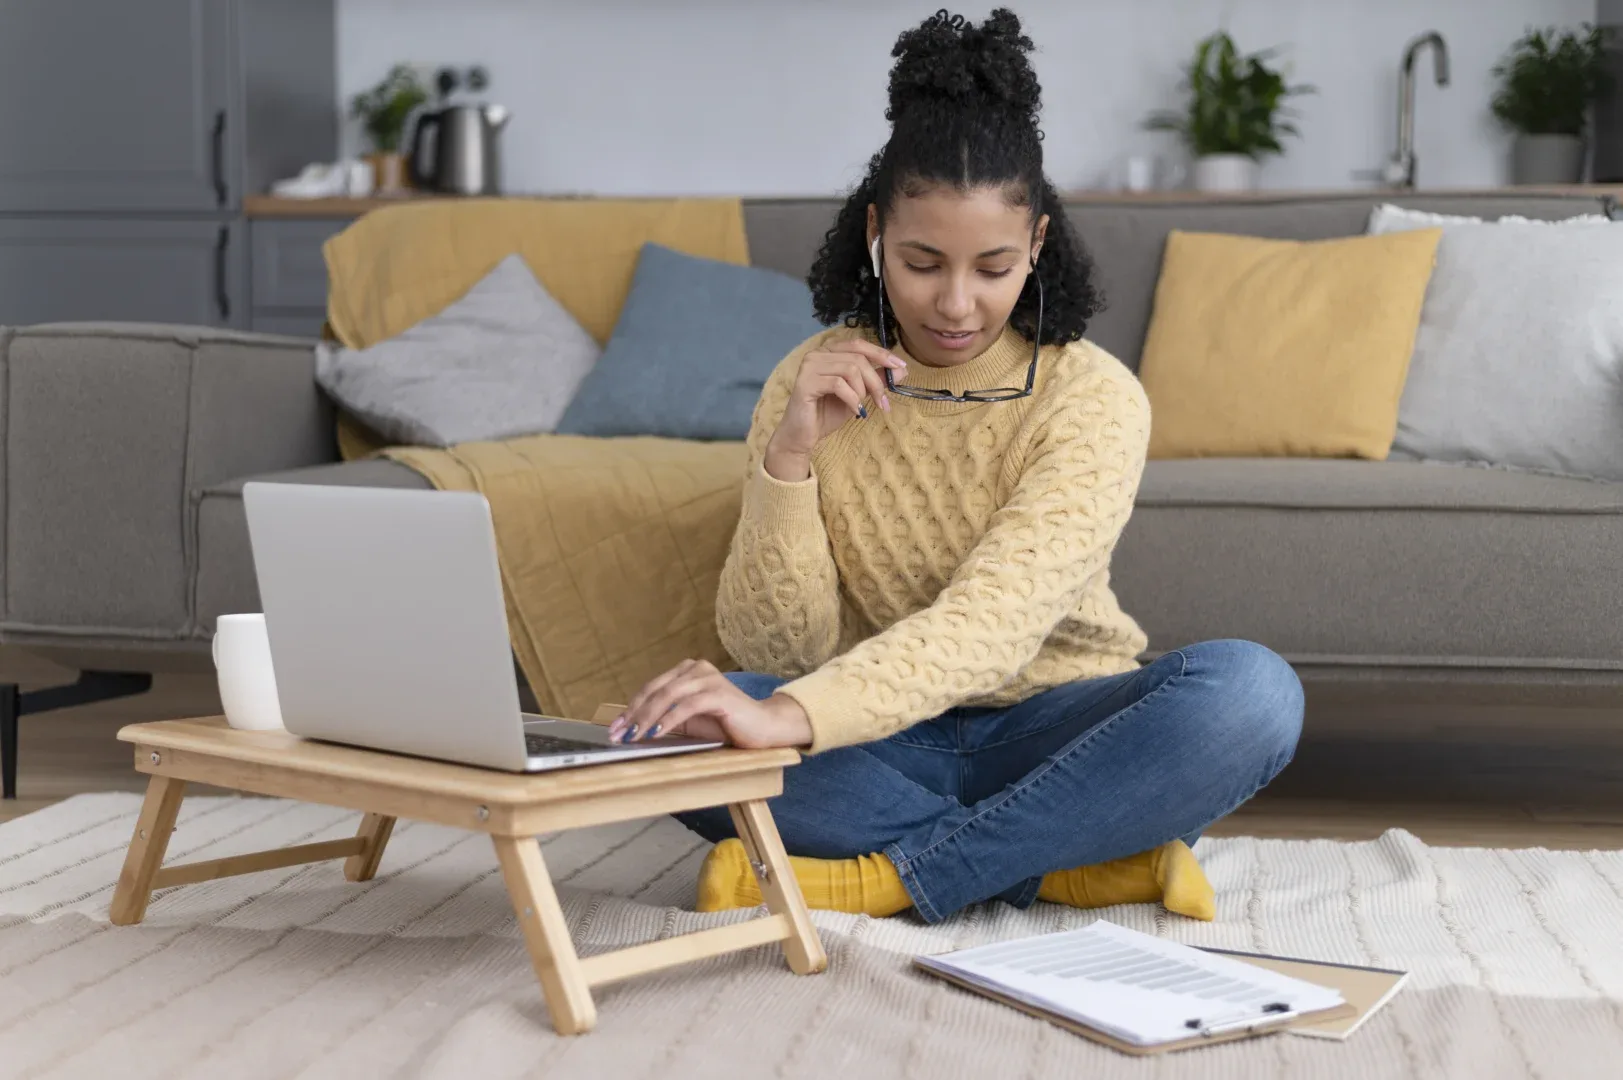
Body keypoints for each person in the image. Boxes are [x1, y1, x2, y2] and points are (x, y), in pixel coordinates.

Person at [607, 8, 1303, 924]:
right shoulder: (807, 380)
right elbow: (781, 655)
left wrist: (791, 720)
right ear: (873, 238)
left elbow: (992, 626)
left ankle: (883, 878)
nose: (955, 303)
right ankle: (1069, 860)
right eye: (922, 261)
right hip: (880, 736)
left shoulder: (1090, 396)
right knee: (682, 732)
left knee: (1251, 694)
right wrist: (789, 460)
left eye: (993, 266)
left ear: (1039, 248)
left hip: (1057, 728)